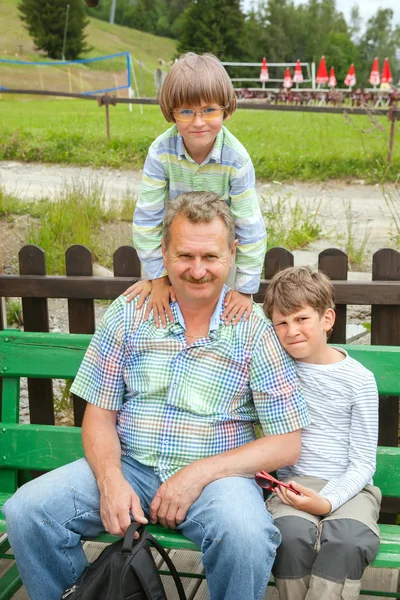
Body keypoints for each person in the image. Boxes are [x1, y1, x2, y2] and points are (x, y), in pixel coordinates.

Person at [3, 192, 309, 600]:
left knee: (246, 535)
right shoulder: (130, 312)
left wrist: (197, 474)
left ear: (232, 255)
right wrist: (110, 479)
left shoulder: (254, 328)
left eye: (211, 257)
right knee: (28, 512)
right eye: (185, 255)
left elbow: (287, 443)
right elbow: (99, 414)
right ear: (163, 252)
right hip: (131, 464)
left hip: (217, 479)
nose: (198, 270)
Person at [263, 266, 381, 600]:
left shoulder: (358, 380)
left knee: (349, 539)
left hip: (351, 487)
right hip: (293, 485)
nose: (291, 331)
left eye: (301, 319)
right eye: (281, 323)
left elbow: (362, 463)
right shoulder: (275, 371)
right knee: (289, 534)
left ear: (327, 319)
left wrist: (328, 501)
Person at [124, 52, 267, 328]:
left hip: (217, 251)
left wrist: (246, 289)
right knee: (167, 312)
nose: (198, 122)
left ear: (225, 108)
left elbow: (250, 226)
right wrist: (157, 277)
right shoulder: (160, 152)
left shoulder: (236, 159)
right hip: (178, 251)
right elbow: (147, 218)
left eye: (209, 110)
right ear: (171, 112)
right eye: (186, 111)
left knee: (221, 316)